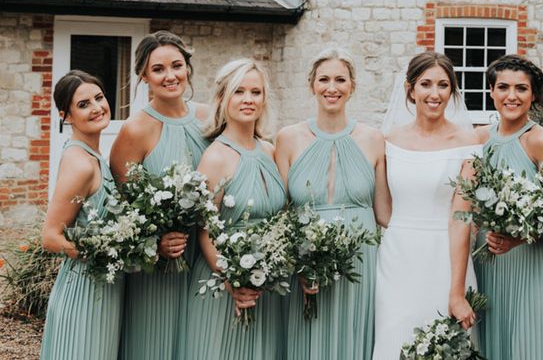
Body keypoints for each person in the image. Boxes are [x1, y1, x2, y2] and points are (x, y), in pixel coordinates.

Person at [275, 47, 388, 360]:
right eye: (324, 79)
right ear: (312, 84)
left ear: (352, 86)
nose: (332, 87)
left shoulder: (374, 138)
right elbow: (280, 212)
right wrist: (296, 262)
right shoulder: (287, 138)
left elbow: (385, 213)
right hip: (304, 264)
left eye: (340, 79)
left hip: (360, 263)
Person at [373, 51, 483, 360]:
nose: (434, 94)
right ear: (410, 89)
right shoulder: (389, 140)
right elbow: (383, 212)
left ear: (452, 91)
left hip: (446, 258)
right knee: (394, 341)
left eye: (443, 85)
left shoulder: (468, 142)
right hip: (397, 260)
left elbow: (462, 218)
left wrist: (457, 291)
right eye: (425, 84)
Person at [109, 30, 208, 360]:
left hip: (204, 256)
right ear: (144, 76)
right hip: (159, 267)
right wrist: (156, 244)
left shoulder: (210, 119)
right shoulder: (135, 130)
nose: (170, 76)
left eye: (177, 66)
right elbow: (123, 209)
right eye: (159, 69)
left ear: (188, 68)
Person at [181, 59, 285, 360]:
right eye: (239, 91)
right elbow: (205, 231)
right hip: (225, 285)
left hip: (265, 286)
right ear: (224, 98)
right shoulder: (215, 157)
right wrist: (234, 279)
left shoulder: (269, 150)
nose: (248, 99)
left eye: (256, 92)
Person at [474, 55, 543, 359]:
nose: (511, 96)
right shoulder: (478, 139)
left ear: (533, 95)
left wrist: (518, 238)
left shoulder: (541, 139)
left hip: (535, 262)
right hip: (489, 263)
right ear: (491, 91)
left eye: (521, 89)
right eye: (503, 87)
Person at [40, 70, 123, 359]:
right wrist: (100, 252)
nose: (97, 107)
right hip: (84, 292)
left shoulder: (95, 156)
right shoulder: (81, 164)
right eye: (84, 104)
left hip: (105, 289)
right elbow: (50, 237)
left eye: (99, 98)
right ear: (67, 116)